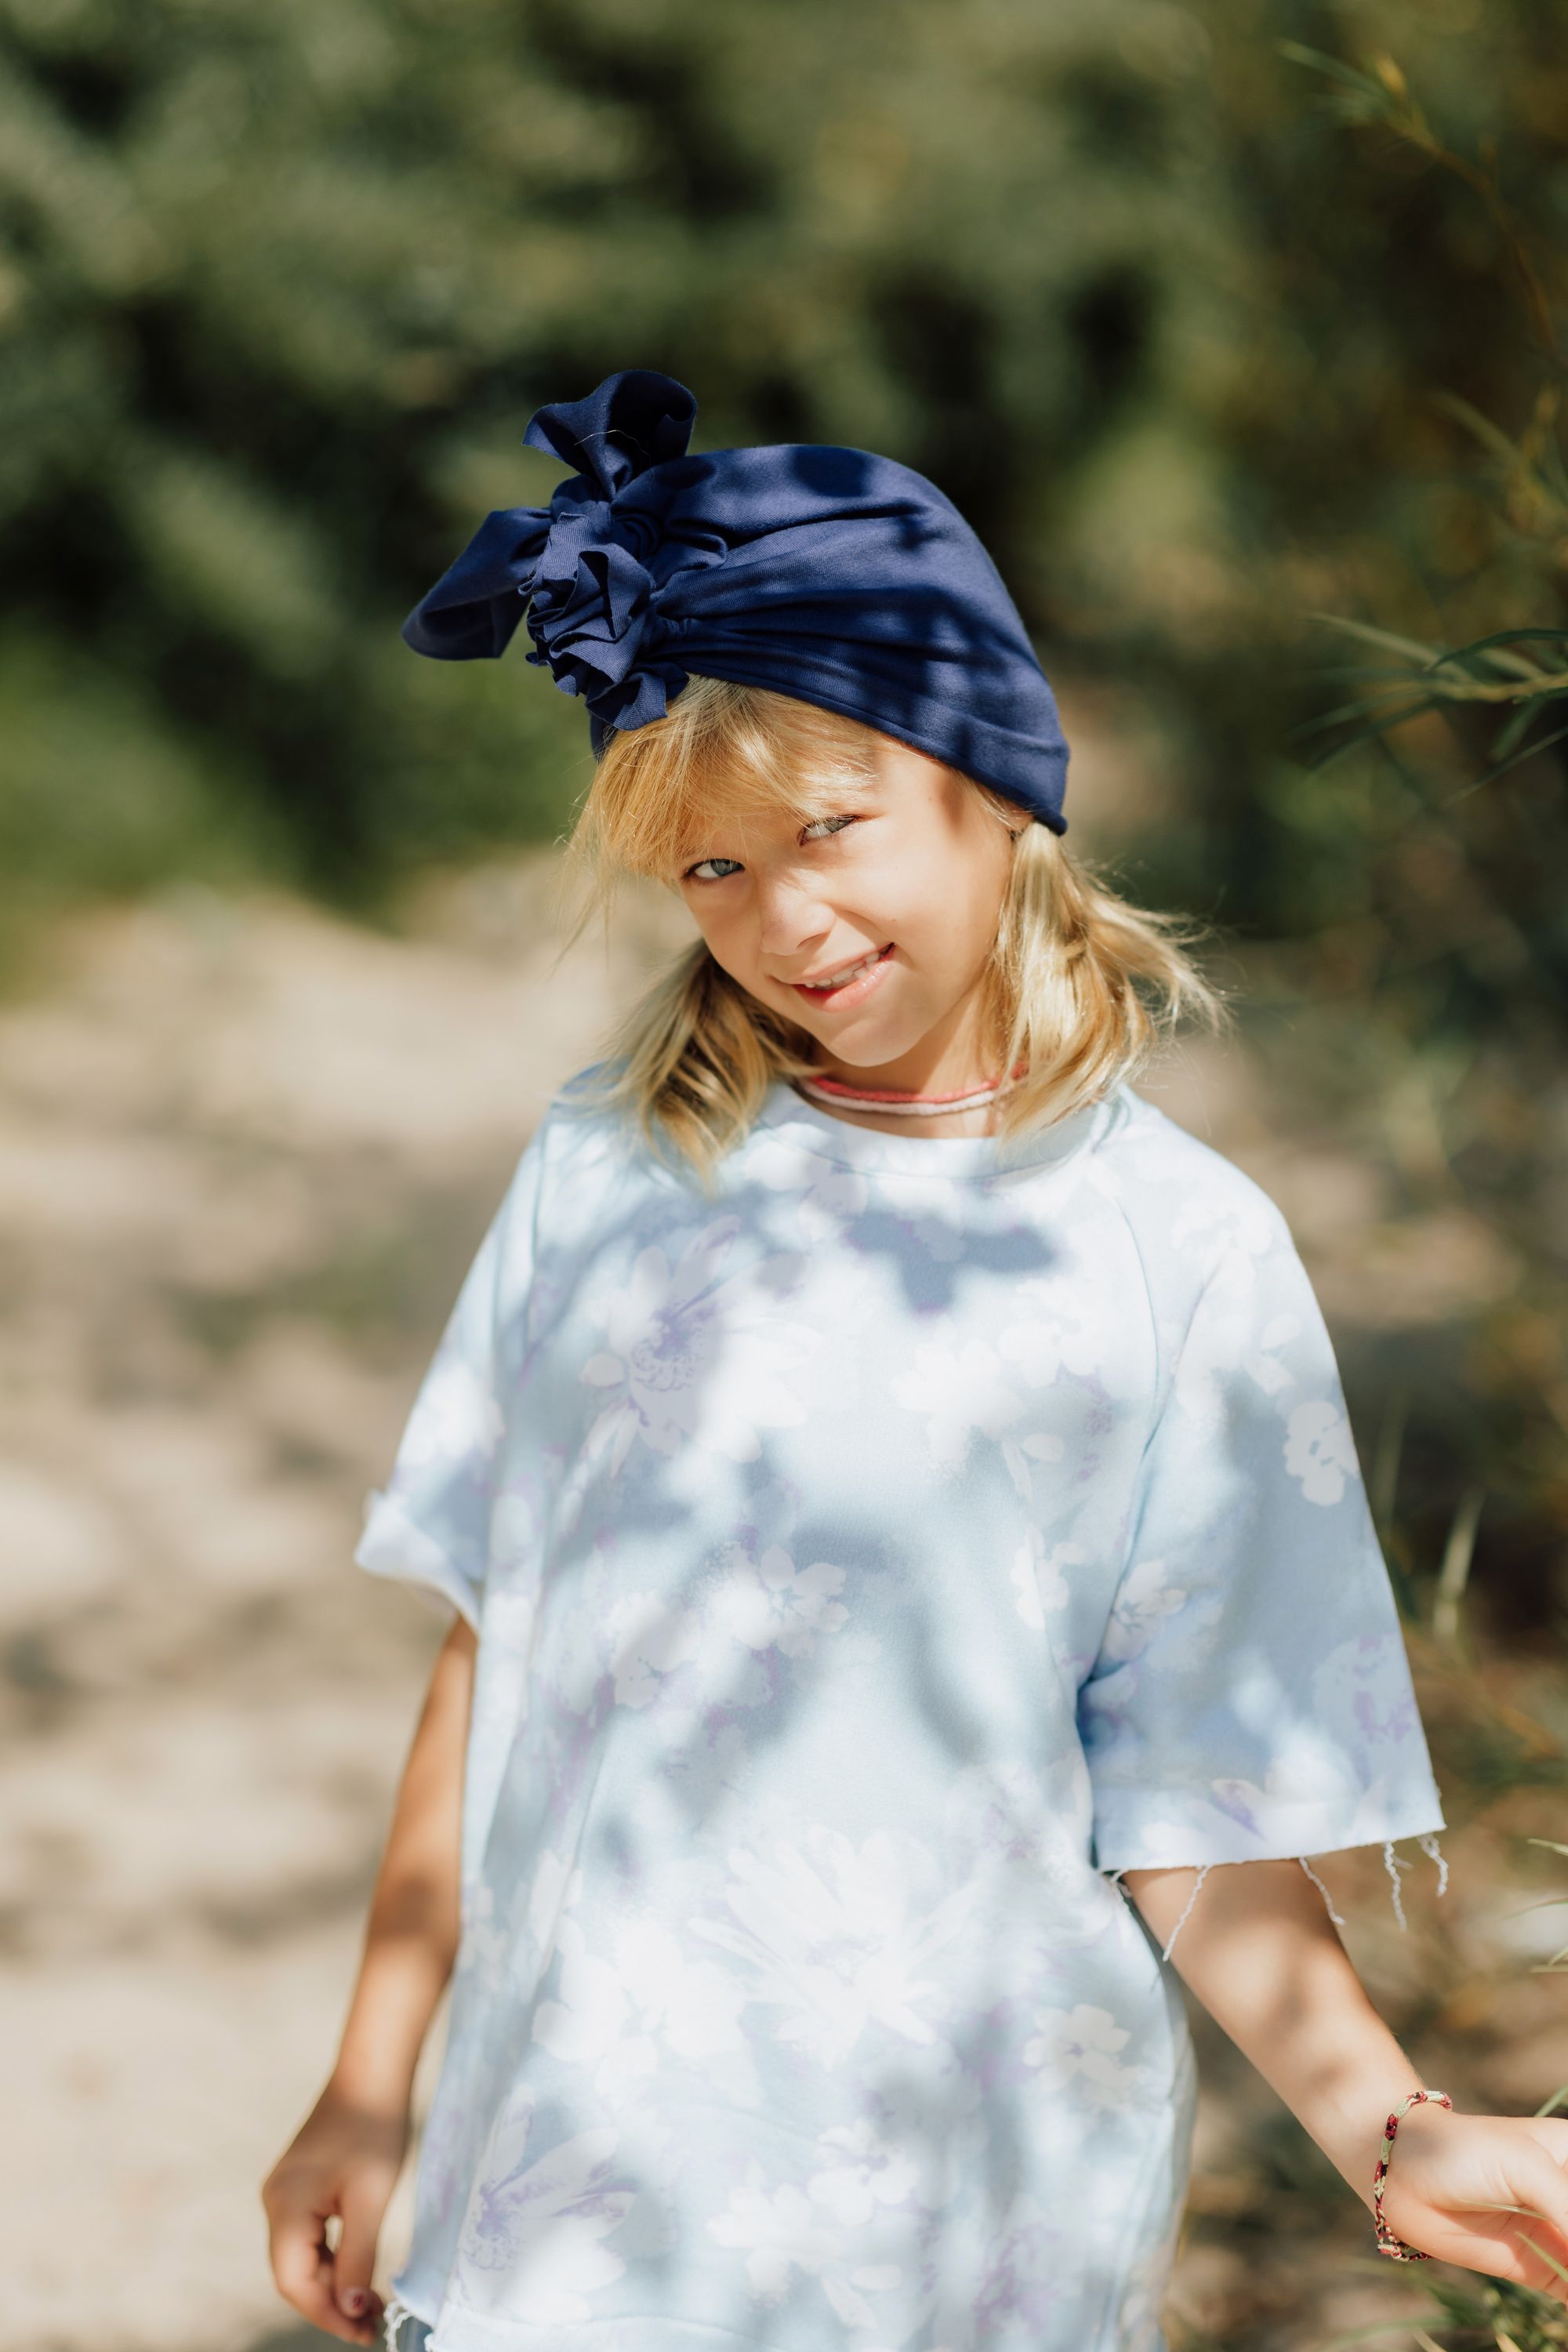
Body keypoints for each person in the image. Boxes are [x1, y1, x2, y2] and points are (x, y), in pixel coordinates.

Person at [263, 372, 1568, 2352]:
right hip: (572, 2203)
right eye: (708, 872)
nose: (783, 920)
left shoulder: (1175, 1253)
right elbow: (493, 1637)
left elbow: (1192, 1798)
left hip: (968, 2230)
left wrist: (1392, 2132)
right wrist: (369, 2083)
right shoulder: (609, 1171)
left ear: (992, 776)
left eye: (830, 829)